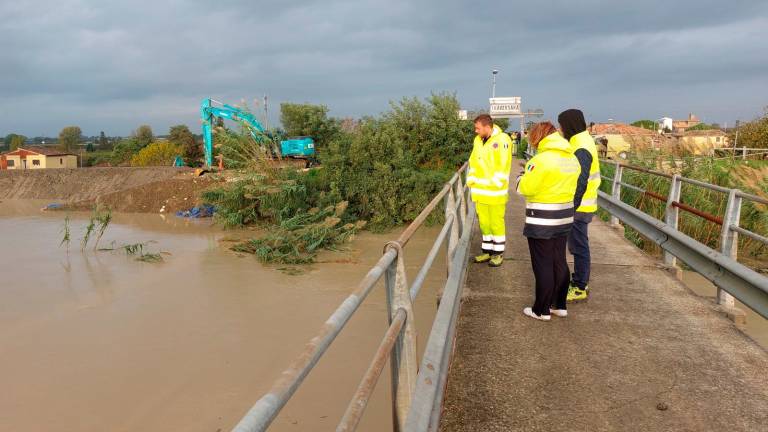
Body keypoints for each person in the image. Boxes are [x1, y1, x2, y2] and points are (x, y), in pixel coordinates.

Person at [516, 122, 579, 320]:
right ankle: (559, 305)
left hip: (542, 217)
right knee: (559, 260)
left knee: (542, 263)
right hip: (565, 215)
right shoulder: (571, 158)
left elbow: (527, 188)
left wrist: (520, 178)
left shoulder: (541, 160)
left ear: (539, 136)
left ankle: (541, 310)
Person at [558, 109, 601, 302]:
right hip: (581, 205)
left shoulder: (581, 146)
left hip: (579, 207)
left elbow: (581, 181)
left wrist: (571, 207)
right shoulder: (580, 141)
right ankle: (580, 282)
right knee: (578, 245)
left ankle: (579, 286)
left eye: (562, 125)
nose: (560, 129)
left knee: (579, 247)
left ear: (569, 125)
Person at [466, 114, 513, 267]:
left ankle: (498, 254)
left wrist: (494, 183)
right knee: (484, 224)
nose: (476, 131)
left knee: (496, 224)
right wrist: (471, 178)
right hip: (480, 192)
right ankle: (487, 251)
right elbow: (473, 161)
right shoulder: (478, 140)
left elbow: (503, 165)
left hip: (495, 192)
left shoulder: (502, 140)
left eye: (478, 128)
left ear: (487, 127)